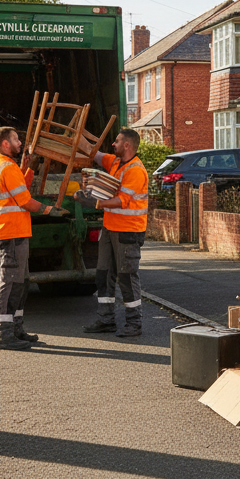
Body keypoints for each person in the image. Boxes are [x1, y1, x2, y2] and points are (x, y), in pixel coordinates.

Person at [0, 126, 66, 351]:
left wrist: (26, 168)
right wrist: (49, 210)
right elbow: (25, 201)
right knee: (11, 282)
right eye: (15, 139)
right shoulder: (6, 167)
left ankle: (15, 328)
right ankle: (3, 334)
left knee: (21, 282)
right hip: (10, 233)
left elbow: (18, 189)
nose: (20, 142)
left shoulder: (3, 165)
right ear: (5, 144)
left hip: (13, 232)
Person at [82, 128, 149, 337]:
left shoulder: (135, 170)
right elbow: (94, 153)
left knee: (126, 277)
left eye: (117, 141)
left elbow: (122, 201)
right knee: (104, 274)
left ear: (127, 145)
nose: (113, 144)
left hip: (128, 232)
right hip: (110, 228)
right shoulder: (115, 162)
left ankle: (134, 323)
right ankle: (106, 320)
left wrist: (95, 202)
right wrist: (78, 135)